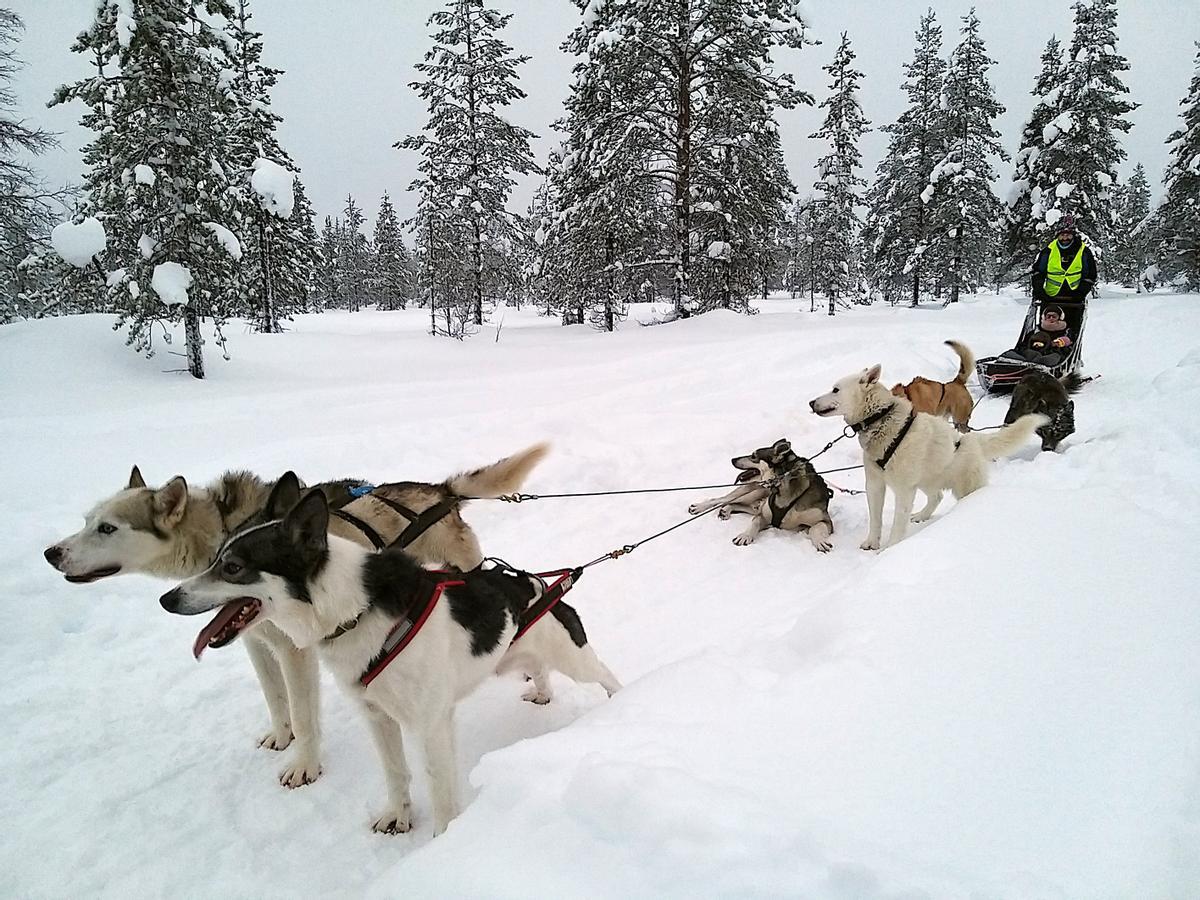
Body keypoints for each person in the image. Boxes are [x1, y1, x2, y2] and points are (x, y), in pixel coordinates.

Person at [1032, 213, 1097, 307]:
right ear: (1057, 236)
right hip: (1050, 297)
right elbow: (1038, 272)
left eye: (1068, 235)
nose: (1065, 238)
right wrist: (1039, 291)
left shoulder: (1083, 251)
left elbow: (1090, 274)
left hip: (1075, 298)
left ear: (1073, 235)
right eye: (1062, 235)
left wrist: (1081, 292)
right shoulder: (1048, 251)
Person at [1000, 304, 1073, 366]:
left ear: (1060, 317)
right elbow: (1023, 345)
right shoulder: (1035, 330)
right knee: (1008, 354)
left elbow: (1068, 349)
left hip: (1049, 355)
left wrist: (1058, 346)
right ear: (1044, 317)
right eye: (1048, 316)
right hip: (1029, 355)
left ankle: (1032, 365)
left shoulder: (1065, 332)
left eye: (1054, 316)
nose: (1051, 318)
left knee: (1049, 359)